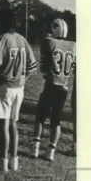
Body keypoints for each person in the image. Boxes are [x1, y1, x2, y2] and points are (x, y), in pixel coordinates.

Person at [0, 5, 37, 171]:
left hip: (5, 87)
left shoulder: (2, 40)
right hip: (19, 88)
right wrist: (23, 80)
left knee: (3, 125)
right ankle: (14, 161)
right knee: (13, 125)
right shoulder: (22, 39)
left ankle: (3, 161)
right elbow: (32, 66)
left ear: (2, 21)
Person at [32, 17, 75, 161]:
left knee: (40, 117)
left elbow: (43, 68)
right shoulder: (74, 45)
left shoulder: (48, 42)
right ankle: (51, 151)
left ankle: (35, 149)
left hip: (51, 85)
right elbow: (74, 68)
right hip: (64, 87)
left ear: (55, 29)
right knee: (56, 120)